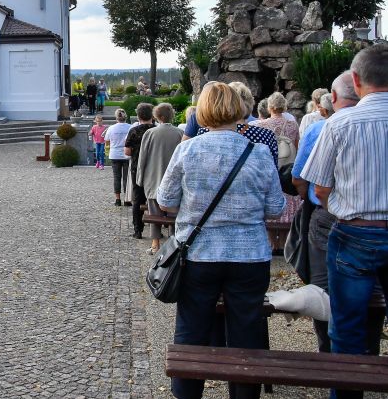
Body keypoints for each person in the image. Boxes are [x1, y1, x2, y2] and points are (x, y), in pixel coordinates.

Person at [157, 82, 284, 399]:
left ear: (201, 112)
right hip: (250, 256)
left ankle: (187, 393)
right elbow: (276, 208)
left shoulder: (188, 150)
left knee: (192, 329)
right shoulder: (258, 153)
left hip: (199, 255)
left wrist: (190, 209)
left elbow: (165, 200)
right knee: (246, 330)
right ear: (240, 110)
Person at [301, 45, 388, 387]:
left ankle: (348, 391)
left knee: (347, 325)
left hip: (354, 231)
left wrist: (343, 201)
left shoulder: (340, 123)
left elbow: (319, 187)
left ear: (355, 79)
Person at [136, 103, 183, 254]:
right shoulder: (180, 133)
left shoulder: (150, 133)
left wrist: (140, 179)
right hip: (175, 182)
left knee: (154, 213)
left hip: (153, 179)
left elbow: (142, 158)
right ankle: (173, 245)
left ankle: (155, 244)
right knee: (174, 214)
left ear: (158, 116)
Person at [124, 103, 156, 239]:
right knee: (155, 198)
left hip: (137, 168)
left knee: (138, 199)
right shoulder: (156, 130)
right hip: (154, 167)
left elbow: (127, 152)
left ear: (138, 116)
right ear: (152, 115)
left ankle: (138, 230)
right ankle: (156, 229)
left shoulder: (134, 131)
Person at [254, 91, 300, 166]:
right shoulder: (293, 124)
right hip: (288, 165)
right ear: (284, 106)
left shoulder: (260, 125)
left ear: (269, 107)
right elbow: (296, 146)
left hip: (269, 164)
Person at [104, 109, 131, 206]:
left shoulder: (111, 128)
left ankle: (117, 199)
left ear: (116, 118)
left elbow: (107, 141)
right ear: (125, 117)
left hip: (114, 154)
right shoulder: (130, 127)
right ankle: (127, 199)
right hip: (127, 155)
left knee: (117, 177)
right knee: (126, 178)